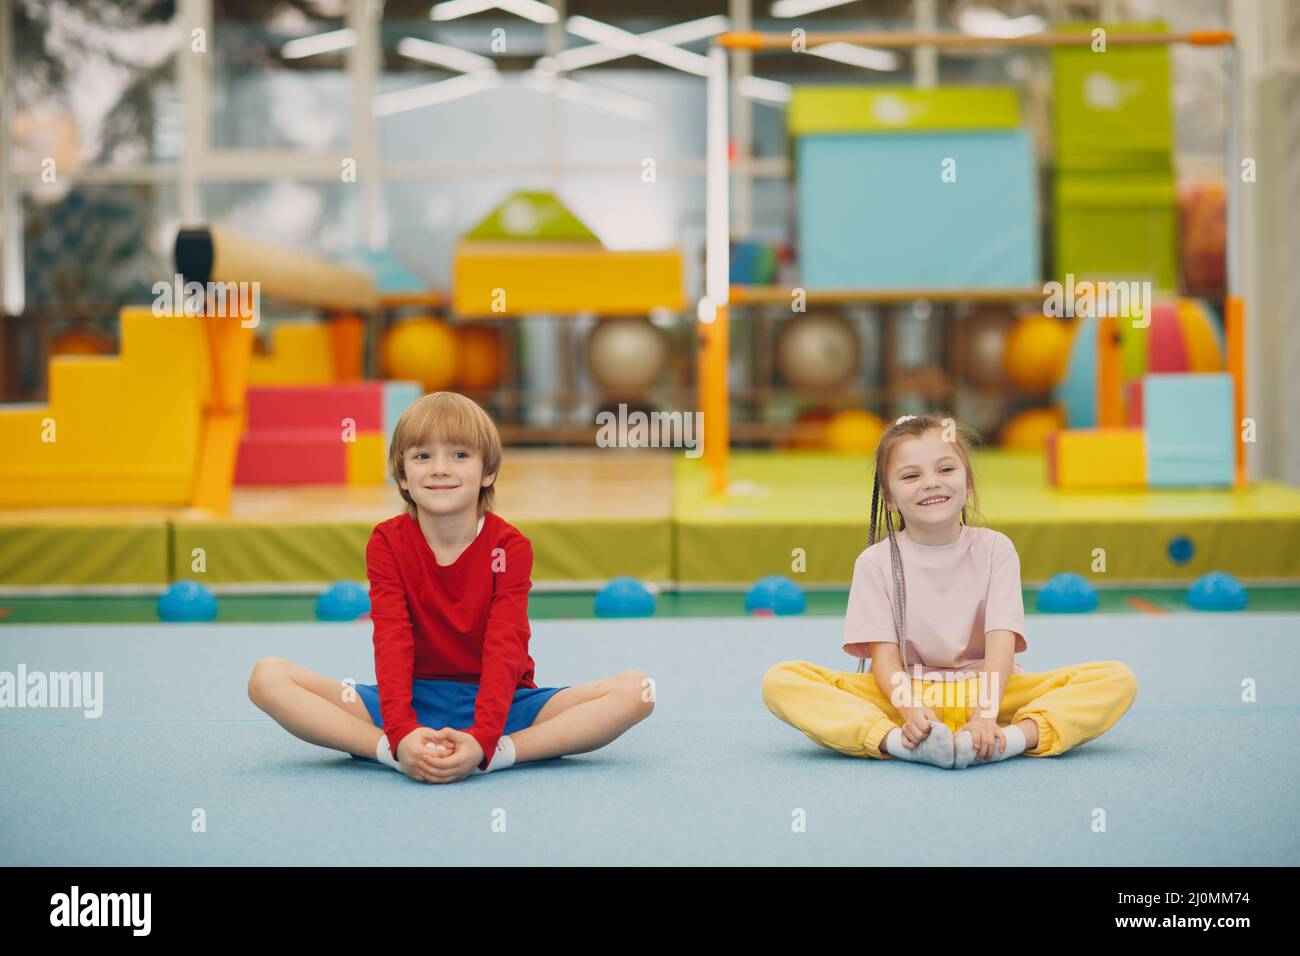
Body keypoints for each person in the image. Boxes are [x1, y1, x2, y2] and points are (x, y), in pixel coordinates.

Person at [249, 391, 654, 783]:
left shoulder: (509, 547)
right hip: (409, 700)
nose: (440, 468)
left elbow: (505, 645)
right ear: (403, 475)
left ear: (488, 471)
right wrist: (400, 732)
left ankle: (500, 756)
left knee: (639, 691)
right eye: (423, 456)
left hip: (502, 704)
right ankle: (389, 753)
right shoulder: (387, 542)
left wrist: (484, 740)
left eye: (459, 455)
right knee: (267, 677)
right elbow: (392, 640)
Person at [762, 412, 1137, 769]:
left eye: (945, 469)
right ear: (889, 497)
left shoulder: (996, 549)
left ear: (968, 482)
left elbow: (1001, 643)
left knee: (1116, 679)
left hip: (991, 692)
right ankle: (900, 743)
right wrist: (910, 712)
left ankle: (1007, 742)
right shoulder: (874, 563)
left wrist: (986, 714)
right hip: (905, 696)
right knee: (782, 680)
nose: (931, 482)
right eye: (910, 476)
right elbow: (885, 661)